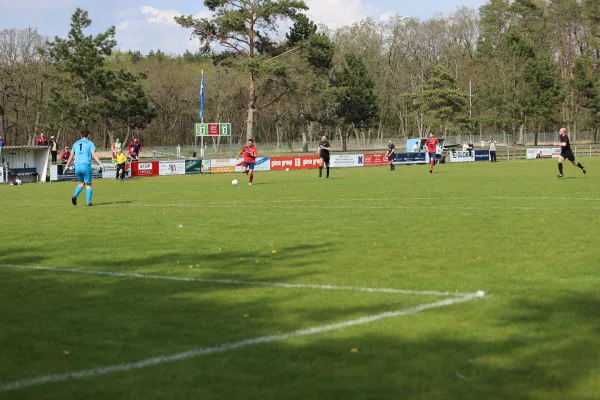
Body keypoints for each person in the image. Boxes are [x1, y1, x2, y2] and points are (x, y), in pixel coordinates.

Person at [63, 129, 103, 206]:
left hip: (77, 165)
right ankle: (88, 202)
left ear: (81, 136)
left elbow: (71, 156)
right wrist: (100, 163)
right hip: (85, 165)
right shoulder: (90, 143)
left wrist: (67, 166)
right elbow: (94, 155)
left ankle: (75, 196)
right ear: (88, 136)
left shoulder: (76, 143)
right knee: (88, 184)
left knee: (81, 183)